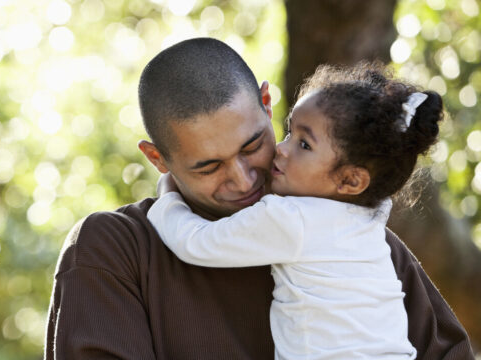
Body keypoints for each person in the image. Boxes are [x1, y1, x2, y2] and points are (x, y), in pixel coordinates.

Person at [44, 38, 474, 359]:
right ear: (158, 159)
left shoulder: (360, 241)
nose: (244, 179)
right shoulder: (115, 251)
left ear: (268, 105)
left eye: (252, 147)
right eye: (208, 167)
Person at [147, 63, 439, 359]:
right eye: (289, 132)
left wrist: (168, 195)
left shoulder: (289, 218)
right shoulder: (370, 221)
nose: (283, 149)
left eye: (304, 144)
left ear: (350, 180)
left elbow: (196, 242)